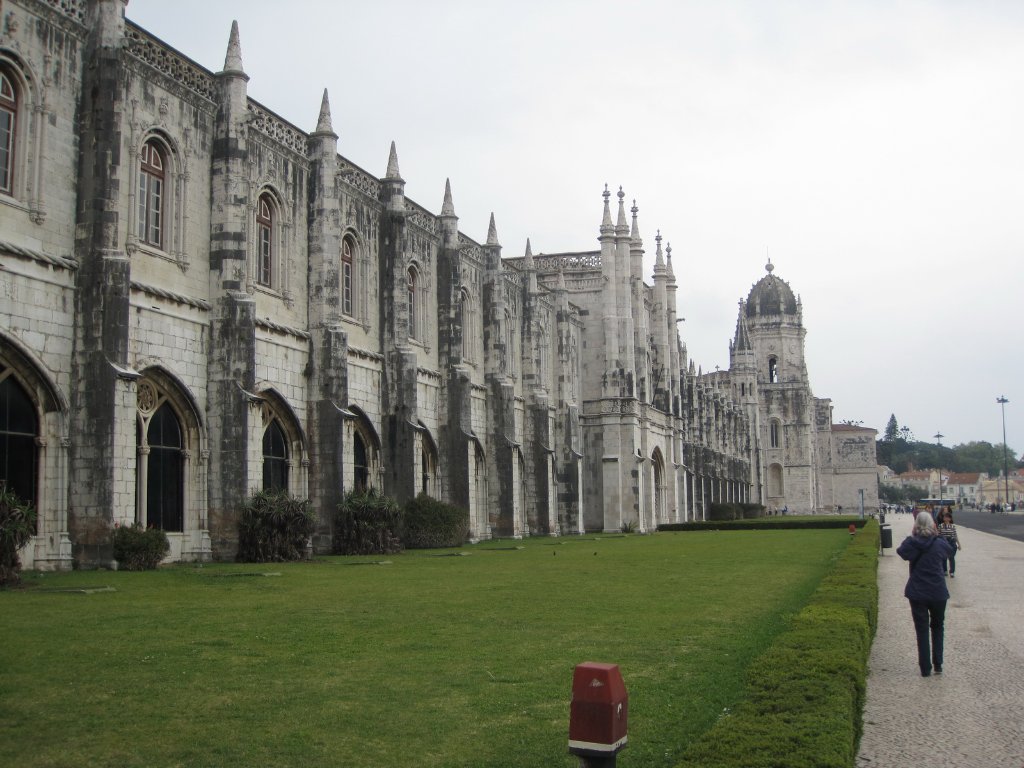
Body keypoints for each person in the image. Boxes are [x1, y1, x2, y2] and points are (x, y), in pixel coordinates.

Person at [897, 512, 953, 677]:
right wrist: (938, 536)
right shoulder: (939, 543)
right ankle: (938, 664)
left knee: (921, 630)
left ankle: (925, 668)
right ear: (933, 525)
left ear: (916, 526)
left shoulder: (912, 543)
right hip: (938, 592)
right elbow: (949, 552)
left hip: (918, 592)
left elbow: (901, 552)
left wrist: (913, 536)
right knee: (937, 626)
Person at [937, 510, 961, 577]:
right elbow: (938, 535)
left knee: (951, 558)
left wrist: (959, 544)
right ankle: (945, 570)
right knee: (944, 557)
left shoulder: (953, 526)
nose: (946, 519)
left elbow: (955, 535)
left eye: (948, 517)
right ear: (943, 518)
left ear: (950, 519)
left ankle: (952, 572)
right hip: (944, 542)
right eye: (945, 517)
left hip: (952, 542)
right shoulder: (940, 526)